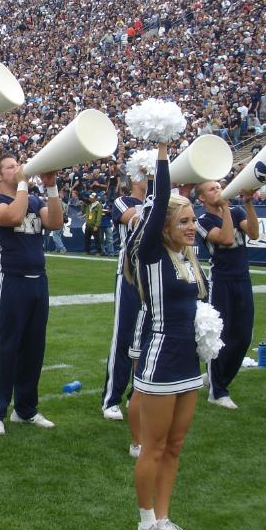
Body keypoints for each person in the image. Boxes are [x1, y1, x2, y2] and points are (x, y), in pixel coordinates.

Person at [126, 143, 204, 530]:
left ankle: (164, 517)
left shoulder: (187, 258)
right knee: (153, 446)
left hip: (188, 361)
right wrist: (162, 154)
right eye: (185, 221)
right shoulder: (152, 254)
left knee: (175, 446)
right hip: (159, 358)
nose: (192, 227)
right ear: (165, 226)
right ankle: (145, 523)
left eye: (194, 220)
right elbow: (157, 206)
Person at [0, 155, 61, 434]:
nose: (18, 168)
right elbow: (13, 216)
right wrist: (24, 183)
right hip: (10, 280)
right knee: (5, 347)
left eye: (18, 164)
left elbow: (56, 222)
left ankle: (26, 410)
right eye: (10, 167)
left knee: (33, 349)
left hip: (39, 280)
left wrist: (51, 188)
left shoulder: (35, 201)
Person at [195, 181, 260, 409]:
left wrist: (249, 203)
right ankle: (218, 390)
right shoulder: (202, 221)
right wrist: (224, 210)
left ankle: (217, 379)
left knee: (243, 337)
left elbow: (254, 233)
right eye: (212, 189)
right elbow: (226, 239)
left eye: (219, 186)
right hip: (221, 282)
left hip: (243, 279)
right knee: (220, 337)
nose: (219, 190)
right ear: (202, 199)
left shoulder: (237, 211)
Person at [101, 177, 148, 421]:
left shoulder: (159, 201)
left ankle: (138, 393)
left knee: (148, 339)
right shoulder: (123, 202)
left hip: (154, 276)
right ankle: (111, 398)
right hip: (130, 276)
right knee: (124, 336)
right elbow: (139, 220)